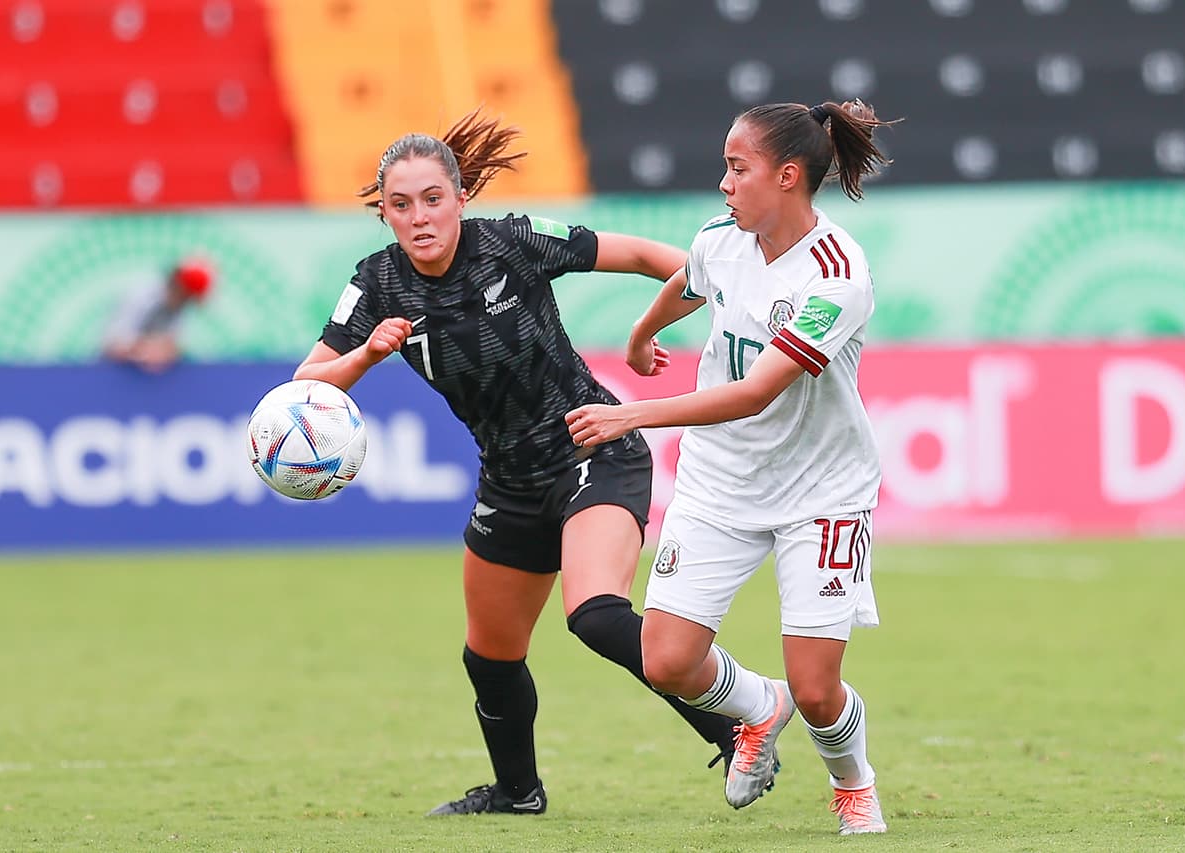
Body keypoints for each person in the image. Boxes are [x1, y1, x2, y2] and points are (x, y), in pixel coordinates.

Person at [292, 108, 737, 816]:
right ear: (384, 214)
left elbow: (661, 261)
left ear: (460, 197)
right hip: (509, 478)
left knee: (594, 614)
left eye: (432, 198)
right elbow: (304, 388)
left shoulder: (512, 243)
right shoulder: (376, 283)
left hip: (594, 447)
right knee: (489, 654)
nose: (418, 217)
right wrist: (367, 353)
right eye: (399, 205)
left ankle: (737, 723)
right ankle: (516, 791)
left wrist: (672, 323)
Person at [565, 99, 895, 835]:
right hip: (723, 482)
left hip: (821, 490)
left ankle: (853, 783)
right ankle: (755, 705)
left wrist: (630, 412)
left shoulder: (836, 277)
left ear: (785, 176)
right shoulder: (723, 238)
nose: (723, 183)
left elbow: (752, 393)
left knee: (817, 690)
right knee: (667, 661)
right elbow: (691, 280)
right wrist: (643, 331)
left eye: (736, 168)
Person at [102, 257, 215, 372]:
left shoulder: (180, 308)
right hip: (113, 373)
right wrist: (145, 348)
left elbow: (175, 347)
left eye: (189, 297)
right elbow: (112, 345)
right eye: (185, 292)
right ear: (176, 282)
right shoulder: (141, 294)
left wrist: (164, 350)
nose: (185, 299)